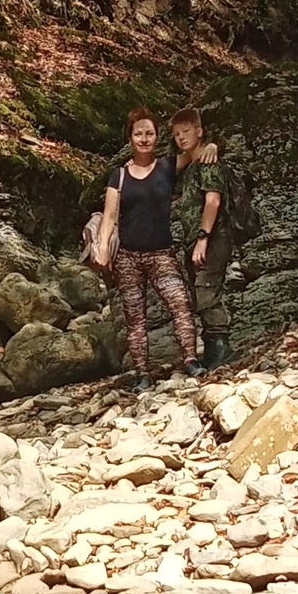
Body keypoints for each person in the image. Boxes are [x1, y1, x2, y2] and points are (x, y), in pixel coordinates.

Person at [96, 110, 200, 387]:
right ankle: (143, 374)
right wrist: (103, 248)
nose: (144, 139)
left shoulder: (168, 166)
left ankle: (190, 360)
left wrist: (211, 145)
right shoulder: (118, 176)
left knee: (180, 305)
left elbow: (196, 152)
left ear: (156, 137)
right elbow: (109, 216)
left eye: (149, 133)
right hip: (127, 257)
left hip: (161, 253)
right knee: (135, 318)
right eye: (139, 133)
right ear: (130, 137)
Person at [167, 106, 233, 371]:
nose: (181, 138)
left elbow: (213, 200)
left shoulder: (208, 162)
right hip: (195, 240)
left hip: (213, 237)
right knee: (198, 292)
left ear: (199, 131)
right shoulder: (190, 163)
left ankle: (221, 347)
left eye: (186, 132)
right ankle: (211, 346)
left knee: (206, 289)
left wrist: (203, 237)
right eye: (176, 134)